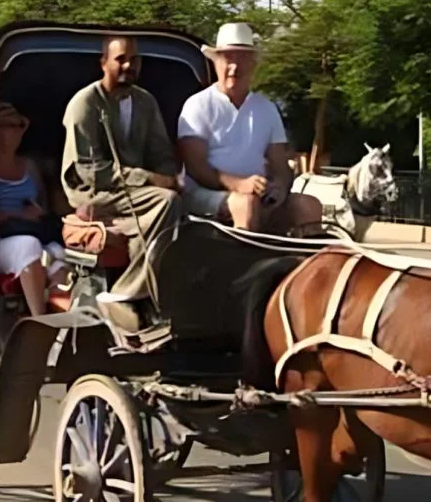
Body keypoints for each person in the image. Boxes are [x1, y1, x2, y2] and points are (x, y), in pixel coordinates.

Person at [62, 35, 182, 331]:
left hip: (136, 192)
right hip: (95, 193)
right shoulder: (85, 104)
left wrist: (170, 177)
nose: (129, 65)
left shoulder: (145, 102)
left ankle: (166, 300)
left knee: (181, 206)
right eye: (120, 59)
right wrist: (151, 179)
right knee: (166, 203)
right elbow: (90, 170)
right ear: (104, 63)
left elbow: (161, 153)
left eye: (135, 59)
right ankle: (127, 292)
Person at [177, 22, 322, 233]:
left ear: (253, 65)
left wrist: (279, 188)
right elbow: (196, 167)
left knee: (309, 206)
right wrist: (239, 185)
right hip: (205, 194)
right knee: (245, 205)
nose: (234, 67)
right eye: (227, 58)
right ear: (216, 63)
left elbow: (280, 165)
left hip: (259, 194)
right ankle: (244, 264)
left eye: (243, 59)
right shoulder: (197, 104)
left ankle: (306, 263)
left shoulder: (267, 108)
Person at [0, 101, 66, 317]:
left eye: (19, 125)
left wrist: (39, 212)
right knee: (29, 246)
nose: (15, 131)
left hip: (32, 230)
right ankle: (39, 319)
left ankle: (64, 320)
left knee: (62, 253)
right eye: (6, 125)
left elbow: (43, 205)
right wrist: (15, 214)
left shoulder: (29, 166)